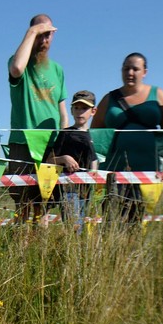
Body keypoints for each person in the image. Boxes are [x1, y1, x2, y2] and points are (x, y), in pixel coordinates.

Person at [92, 52, 163, 223]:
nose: (130, 73)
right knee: (111, 219)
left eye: (135, 69)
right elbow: (95, 133)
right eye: (126, 68)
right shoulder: (109, 99)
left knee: (141, 220)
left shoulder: (158, 95)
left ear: (144, 72)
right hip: (113, 169)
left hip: (148, 169)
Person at [7, 14, 69, 225]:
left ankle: (38, 253)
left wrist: (64, 143)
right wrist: (33, 32)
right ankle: (20, 253)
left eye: (48, 34)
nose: (43, 40)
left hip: (50, 146)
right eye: (39, 34)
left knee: (43, 203)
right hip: (22, 143)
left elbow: (62, 112)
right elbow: (16, 69)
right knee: (22, 204)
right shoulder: (18, 61)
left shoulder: (58, 70)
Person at [45, 90, 98, 231]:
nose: (80, 112)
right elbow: (49, 161)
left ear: (93, 111)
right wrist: (64, 158)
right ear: (71, 110)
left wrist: (95, 173)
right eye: (76, 108)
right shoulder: (65, 133)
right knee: (73, 227)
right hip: (69, 189)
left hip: (87, 190)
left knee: (82, 229)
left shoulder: (95, 135)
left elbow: (95, 159)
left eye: (84, 108)